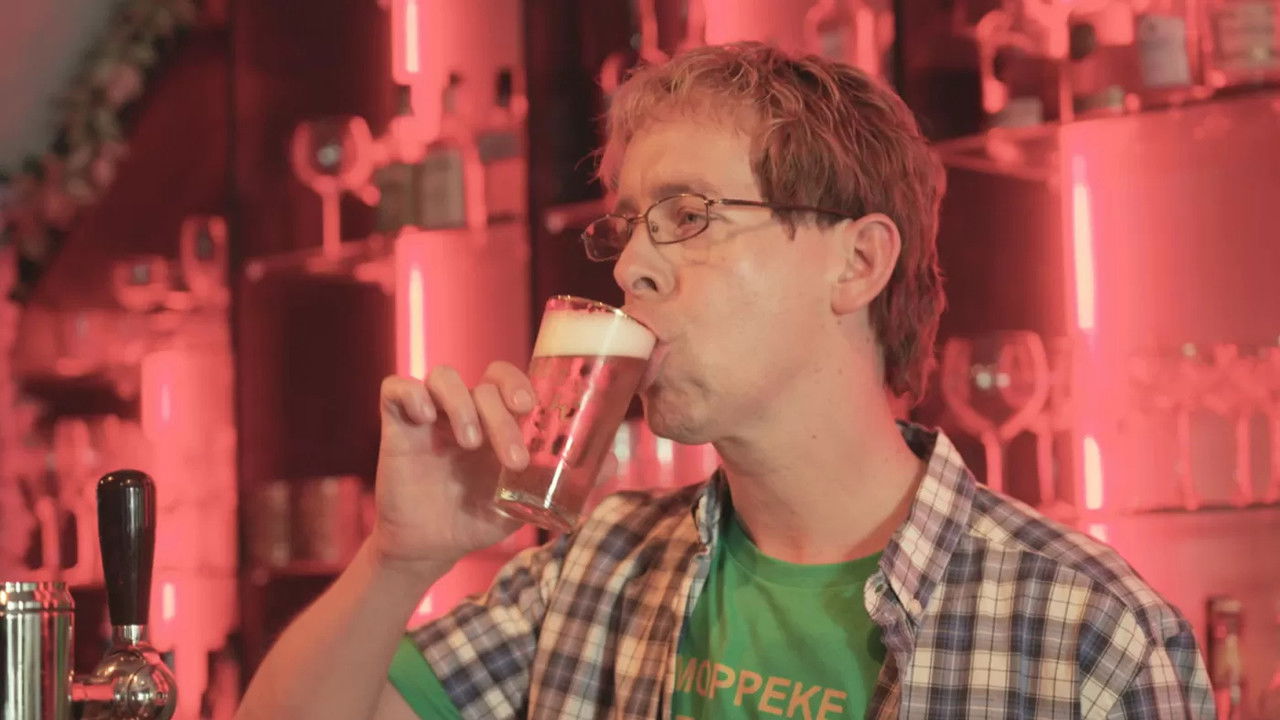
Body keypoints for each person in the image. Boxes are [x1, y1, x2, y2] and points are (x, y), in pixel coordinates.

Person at [236, 42, 1213, 720]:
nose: (630, 268)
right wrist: (397, 559)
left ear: (857, 264)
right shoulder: (597, 568)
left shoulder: (1086, 631)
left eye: (689, 217)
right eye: (627, 229)